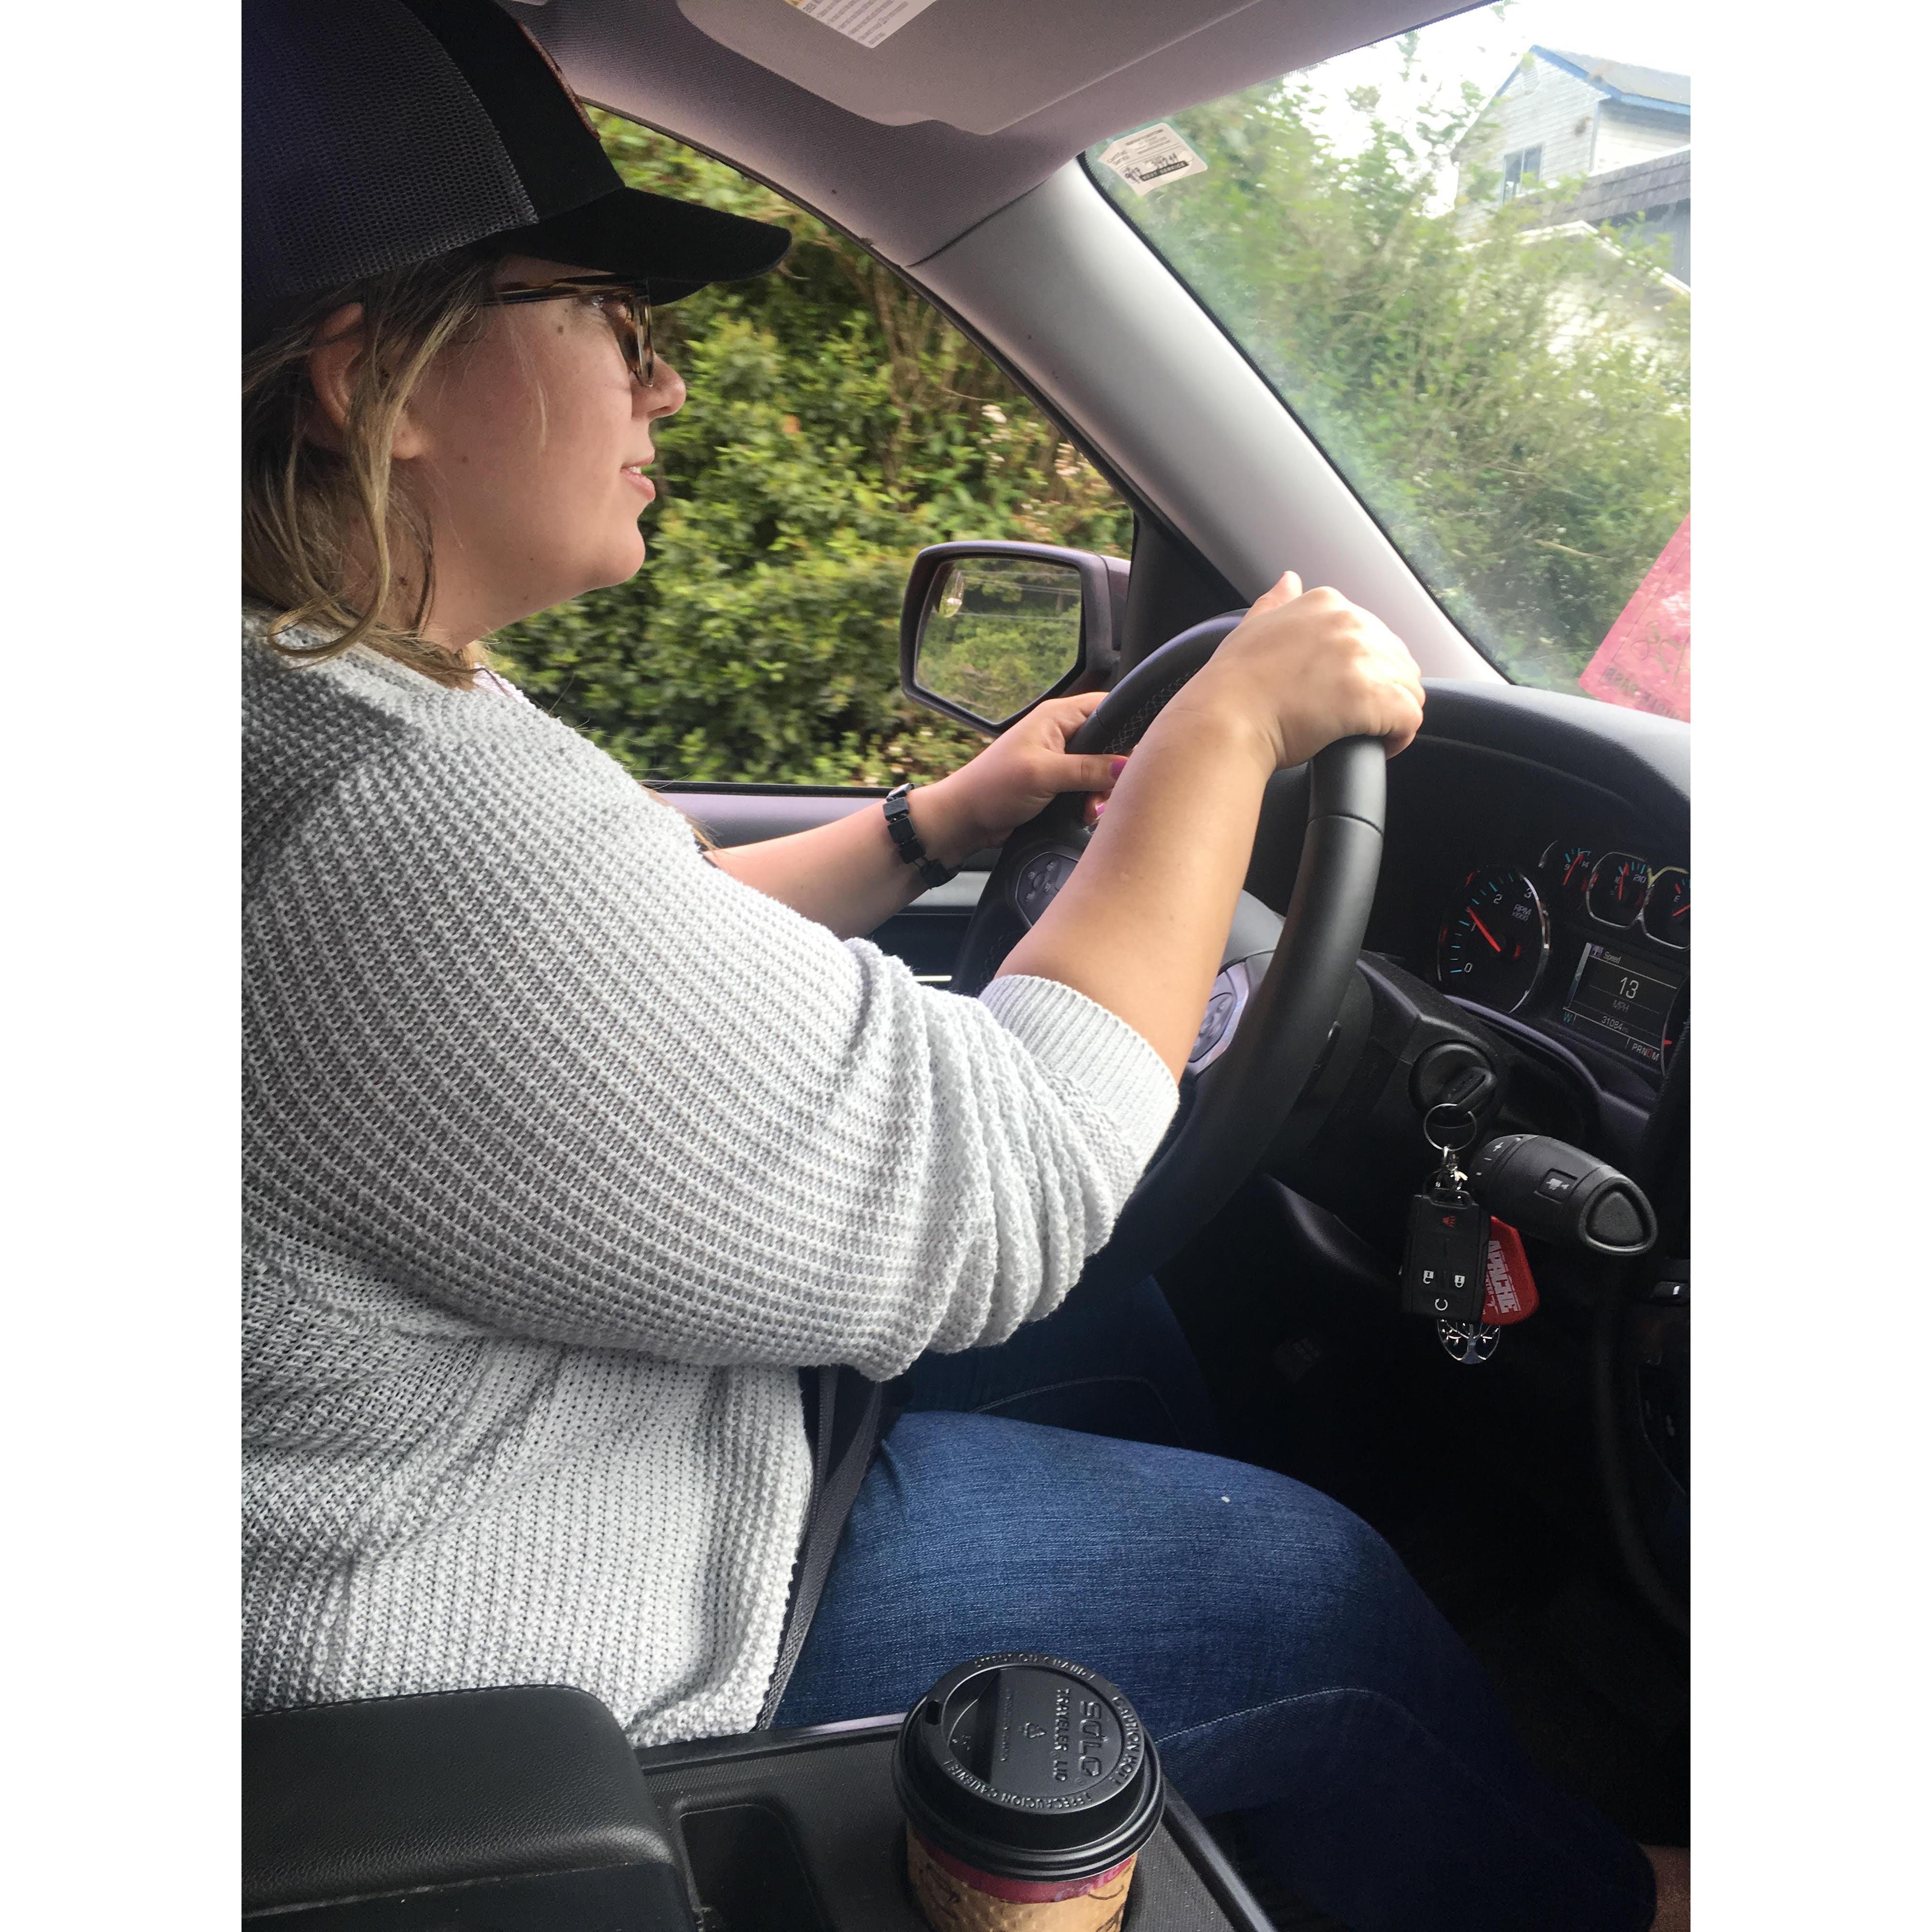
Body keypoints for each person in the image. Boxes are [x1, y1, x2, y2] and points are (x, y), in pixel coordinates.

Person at [242, 4, 1682, 1926]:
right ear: (377, 379)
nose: (666, 383)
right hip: (533, 1668)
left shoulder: (316, 727)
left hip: (544, 1457)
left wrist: (943, 820)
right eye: (609, 316)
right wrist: (1221, 741)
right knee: (1302, 1587)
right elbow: (1015, 1180)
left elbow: (635, 962)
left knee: (1128, 1327)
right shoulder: (382, 809)